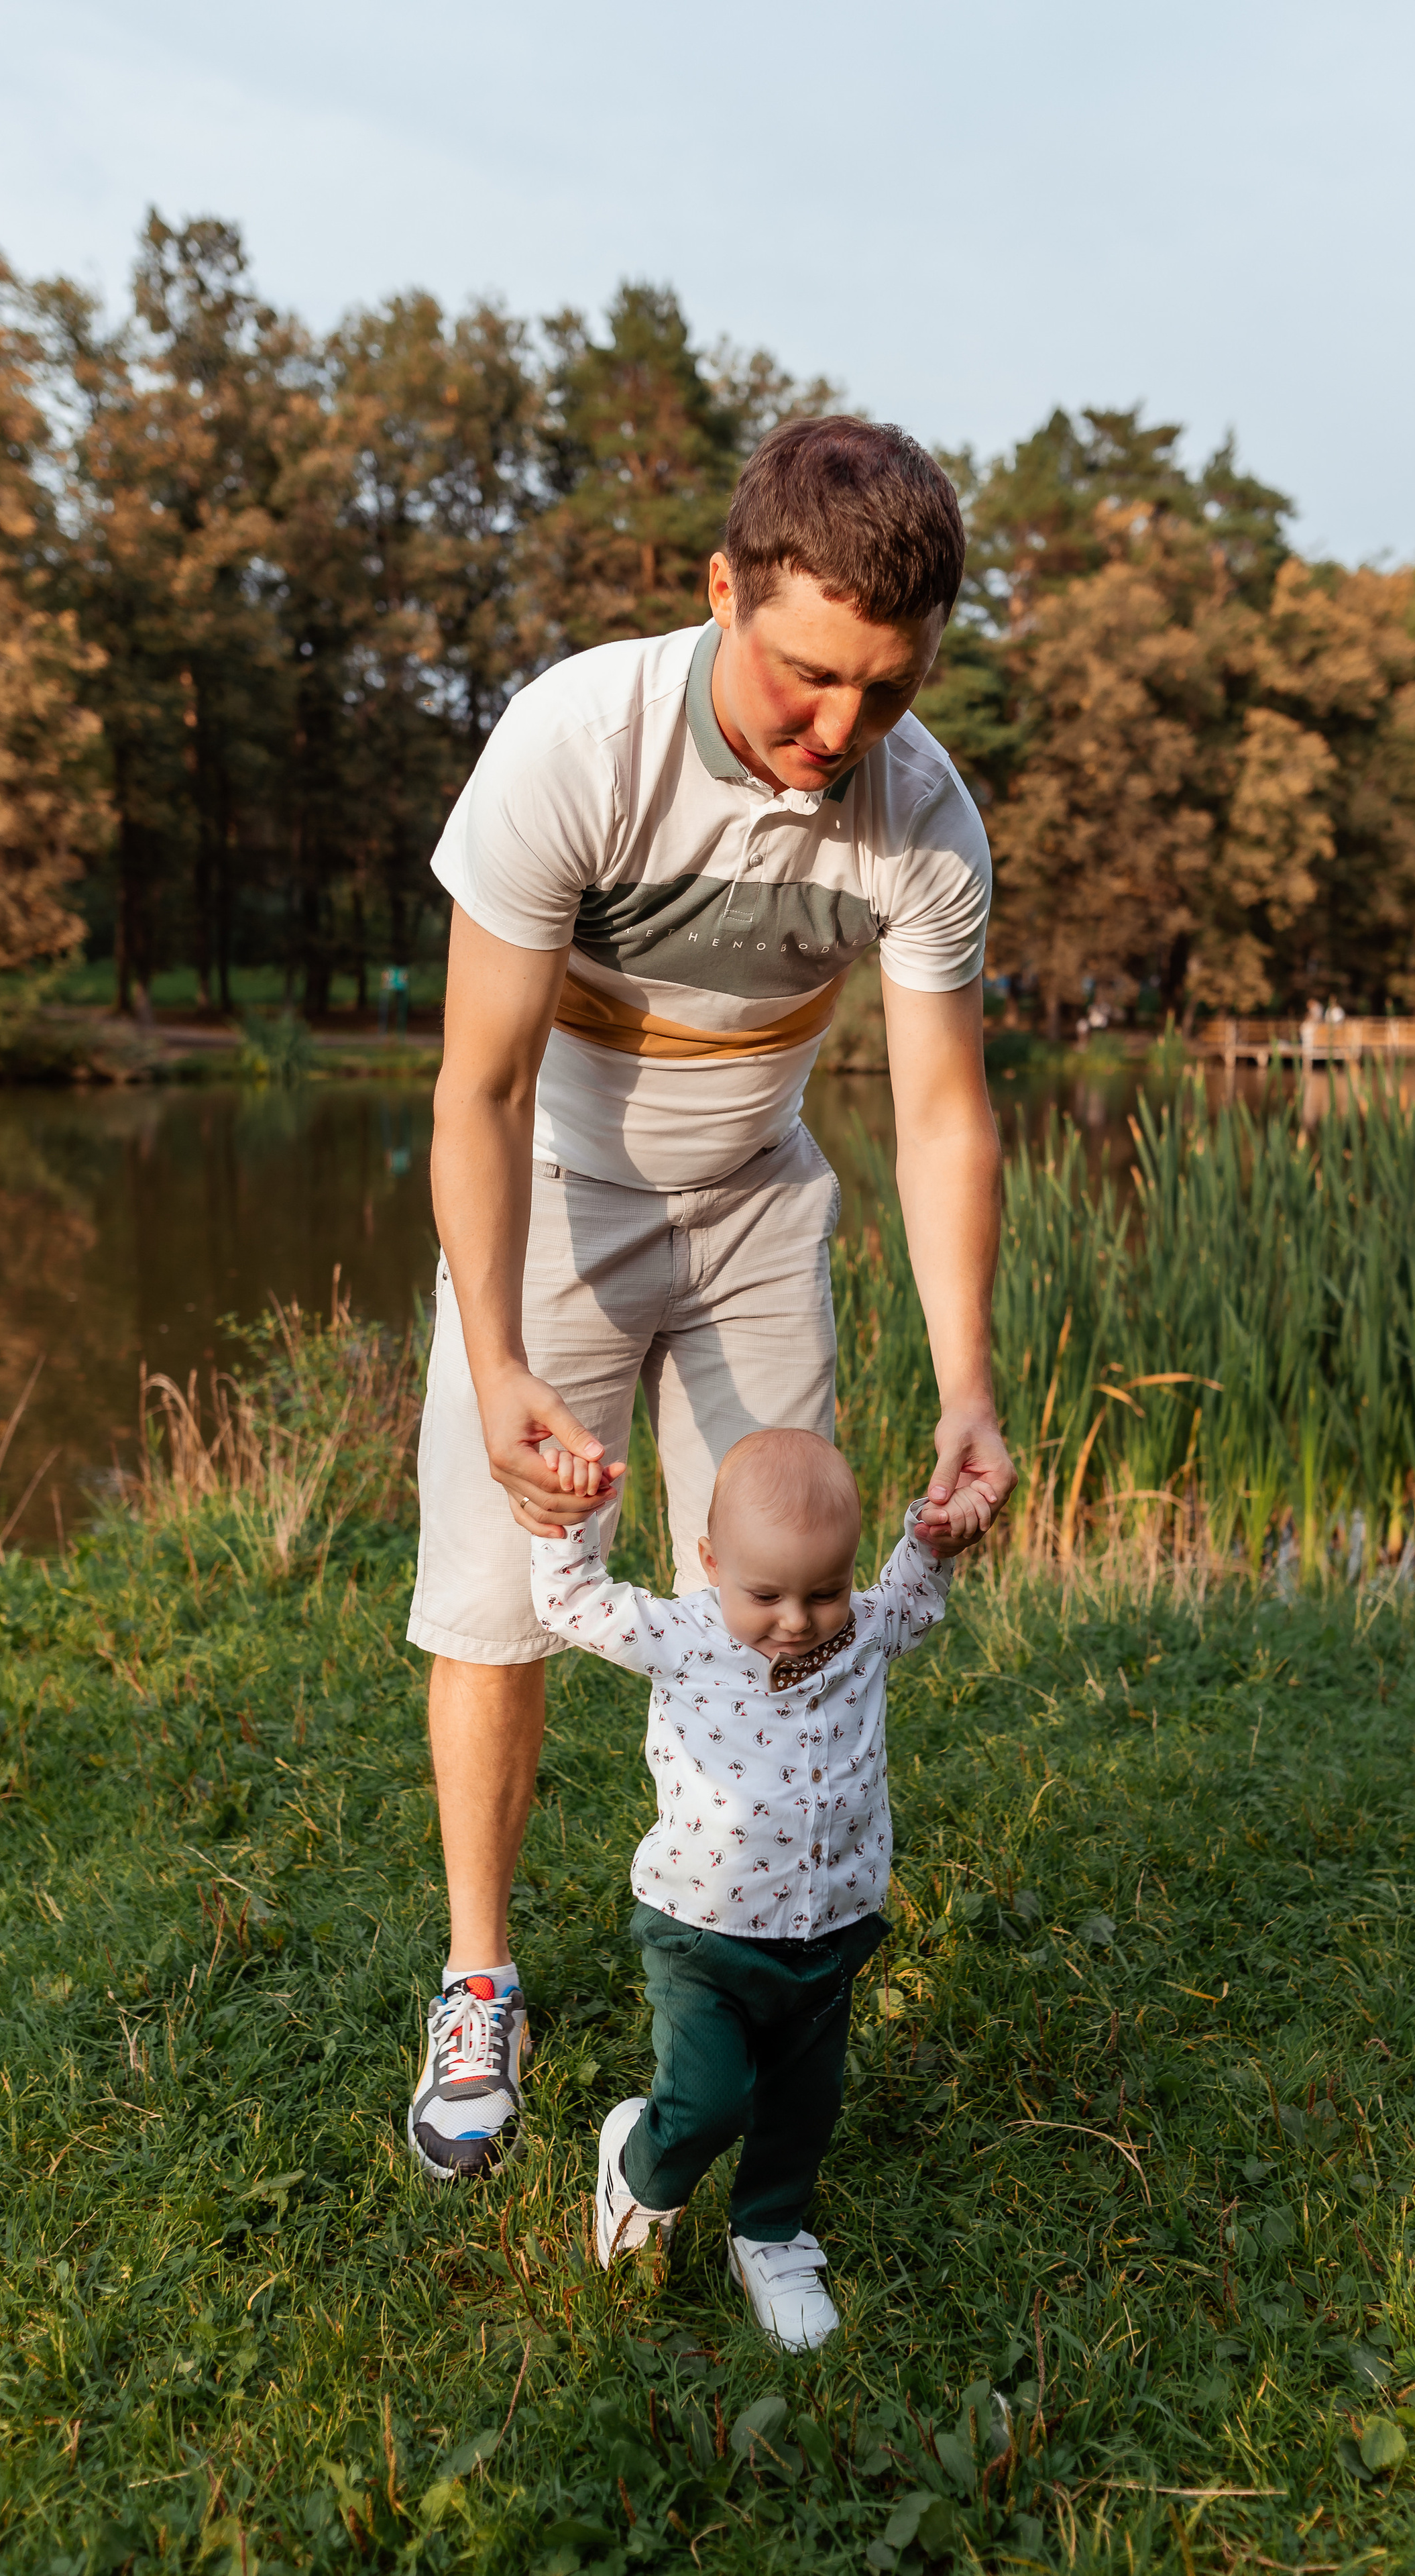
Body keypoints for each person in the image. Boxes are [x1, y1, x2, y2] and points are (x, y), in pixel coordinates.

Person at [404, 416, 1015, 2186]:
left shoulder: (922, 817)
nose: (839, 735)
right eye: (807, 676)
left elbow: (943, 1106)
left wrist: (966, 1384)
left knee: (782, 1588)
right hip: (559, 1208)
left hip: (754, 1205)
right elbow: (482, 1091)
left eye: (885, 694)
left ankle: (750, 1936)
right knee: (499, 1605)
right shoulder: (574, 743)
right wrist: (504, 1352)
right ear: (723, 588)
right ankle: (480, 1979)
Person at [530, 1428, 988, 2349]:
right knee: (707, 2099)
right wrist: (567, 1529)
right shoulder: (684, 1633)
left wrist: (934, 1541)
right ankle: (640, 2167)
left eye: (823, 1590)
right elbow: (571, 1604)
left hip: (833, 1925)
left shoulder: (861, 1626)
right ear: (711, 1562)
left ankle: (770, 2235)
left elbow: (910, 1598)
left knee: (802, 2101)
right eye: (766, 1593)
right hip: (705, 1930)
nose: (797, 1618)